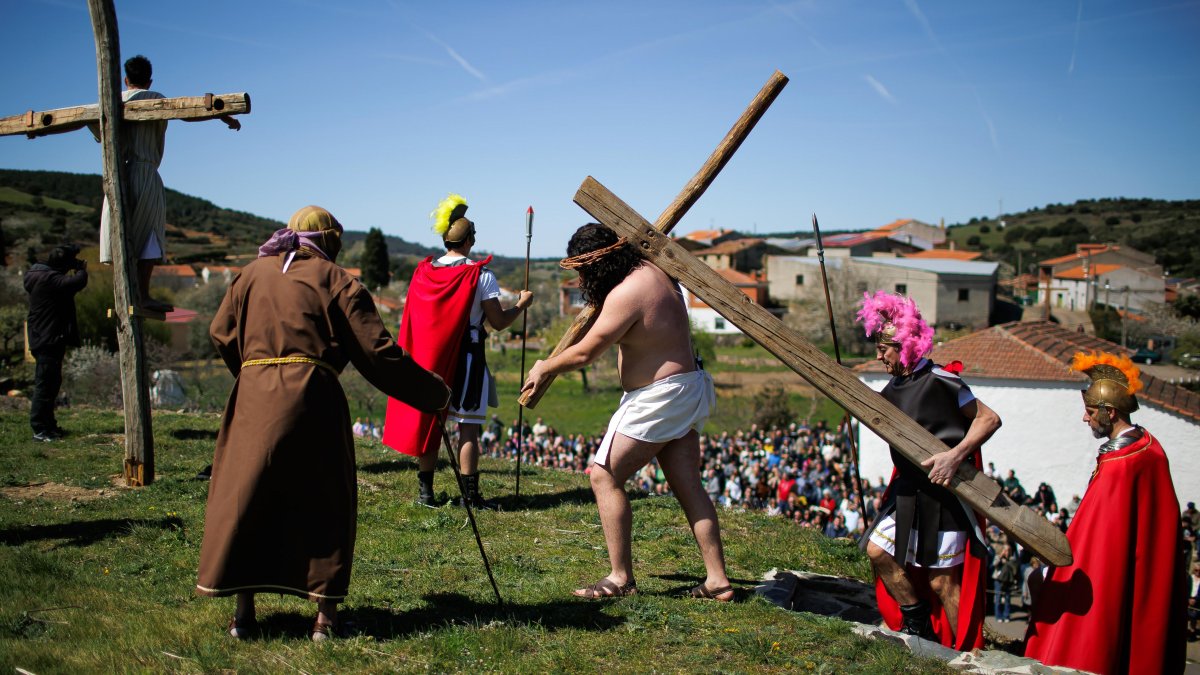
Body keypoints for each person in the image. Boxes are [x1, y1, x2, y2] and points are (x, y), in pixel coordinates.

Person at [196, 206, 449, 641]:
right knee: (324, 499)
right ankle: (324, 622)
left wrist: (255, 371)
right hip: (313, 396)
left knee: (247, 495)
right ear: (331, 240)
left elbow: (221, 332)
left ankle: (244, 616)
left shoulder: (250, 274)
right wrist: (432, 393)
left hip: (253, 394)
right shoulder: (339, 281)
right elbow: (378, 353)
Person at [522, 223, 733, 601]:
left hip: (659, 398)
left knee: (603, 476)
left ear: (600, 263)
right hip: (684, 387)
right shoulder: (658, 273)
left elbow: (588, 351)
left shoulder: (628, 292)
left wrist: (545, 366)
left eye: (584, 271)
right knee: (687, 484)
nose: (583, 280)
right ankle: (717, 579)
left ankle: (620, 578)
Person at [1024, 350, 1186, 674]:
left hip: (1103, 576)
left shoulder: (1120, 465)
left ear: (1109, 412)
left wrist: (1054, 569)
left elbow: (1096, 539)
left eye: (1089, 412)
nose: (1086, 419)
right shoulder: (1148, 445)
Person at [856, 291, 1001, 650]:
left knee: (942, 582)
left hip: (945, 494)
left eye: (883, 348)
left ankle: (971, 653)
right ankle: (916, 618)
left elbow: (989, 419)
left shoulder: (941, 379)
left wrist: (956, 455)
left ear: (904, 345)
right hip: (908, 491)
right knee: (877, 551)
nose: (878, 355)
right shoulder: (892, 388)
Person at [382, 194, 533, 508]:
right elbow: (499, 321)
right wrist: (521, 304)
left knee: (432, 420)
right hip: (467, 358)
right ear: (469, 240)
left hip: (430, 359)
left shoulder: (424, 273)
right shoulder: (481, 276)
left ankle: (426, 493)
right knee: (468, 427)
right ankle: (470, 496)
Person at [90, 55, 239, 312]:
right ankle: (142, 295)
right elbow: (190, 113)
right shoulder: (155, 98)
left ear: (126, 80)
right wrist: (222, 116)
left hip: (115, 176)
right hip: (145, 173)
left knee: (118, 233)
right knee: (150, 235)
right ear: (149, 80)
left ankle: (123, 294)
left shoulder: (109, 102)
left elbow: (85, 124)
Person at [24, 244, 89, 442]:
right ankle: (40, 429)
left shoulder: (36, 275)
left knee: (51, 383)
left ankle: (48, 426)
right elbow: (76, 283)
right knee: (45, 384)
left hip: (42, 336)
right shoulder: (49, 280)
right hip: (48, 338)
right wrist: (81, 269)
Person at [992, 544, 1018, 623]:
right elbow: (994, 564)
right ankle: (998, 616)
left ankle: (1006, 615)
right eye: (1005, 550)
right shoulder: (998, 557)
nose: (1006, 552)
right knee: (998, 598)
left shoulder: (1012, 559)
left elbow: (1015, 569)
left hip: (1008, 581)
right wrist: (1000, 556)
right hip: (998, 580)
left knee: (1007, 598)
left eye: (1008, 550)